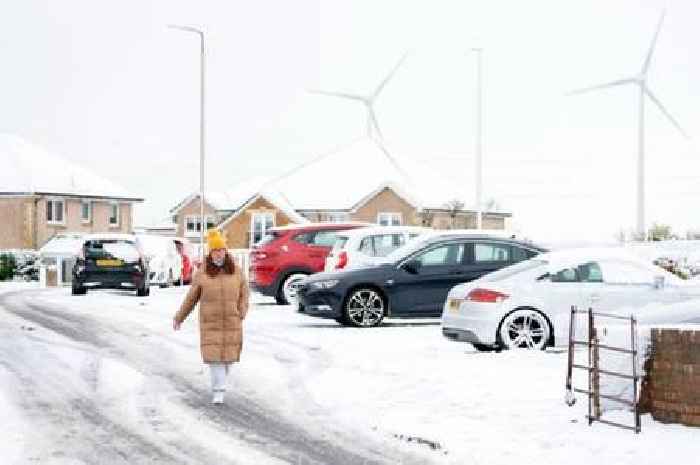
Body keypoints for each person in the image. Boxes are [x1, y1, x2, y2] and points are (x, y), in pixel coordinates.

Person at [173, 229, 249, 404]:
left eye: (221, 249)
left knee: (228, 360)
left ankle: (220, 385)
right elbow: (191, 298)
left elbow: (245, 293)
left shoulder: (236, 271)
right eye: (215, 250)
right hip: (211, 323)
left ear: (225, 250)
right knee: (215, 360)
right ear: (210, 252)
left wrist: (241, 311)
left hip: (232, 321)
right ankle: (218, 391)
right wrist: (179, 317)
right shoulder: (203, 272)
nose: (219, 253)